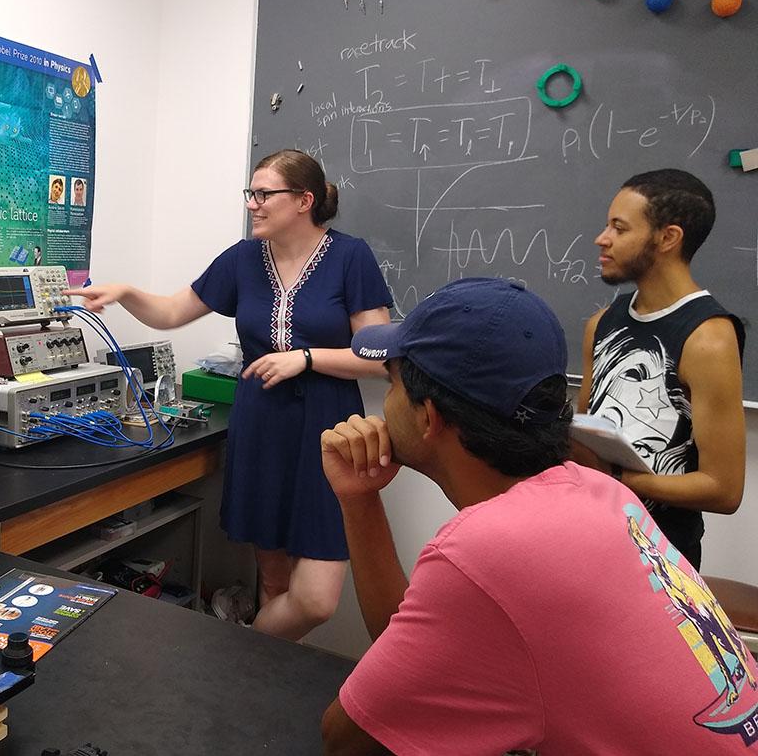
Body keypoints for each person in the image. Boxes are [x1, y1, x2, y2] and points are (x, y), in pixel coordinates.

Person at [319, 277, 758, 755]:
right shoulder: (601, 491)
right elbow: (411, 663)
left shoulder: (485, 551)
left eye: (392, 383)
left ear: (429, 416)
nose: (385, 404)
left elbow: (349, 738)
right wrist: (359, 500)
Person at [66, 149, 392, 640]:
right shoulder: (242, 259)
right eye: (251, 193)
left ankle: (235, 658)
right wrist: (126, 293)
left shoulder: (351, 257)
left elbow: (379, 357)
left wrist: (306, 358)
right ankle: (257, 688)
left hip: (328, 432)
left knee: (316, 600)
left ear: (304, 200)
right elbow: (173, 312)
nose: (253, 205)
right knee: (274, 579)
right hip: (262, 425)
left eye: (264, 194)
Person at [576, 169, 745, 570]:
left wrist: (617, 481)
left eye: (619, 228)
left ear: (668, 238)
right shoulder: (601, 324)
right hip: (588, 537)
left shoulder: (708, 339)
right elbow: (584, 438)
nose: (603, 239)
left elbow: (723, 489)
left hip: (660, 563)